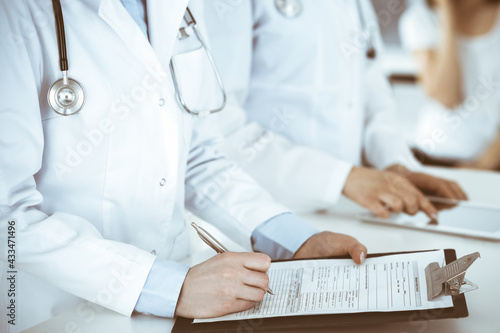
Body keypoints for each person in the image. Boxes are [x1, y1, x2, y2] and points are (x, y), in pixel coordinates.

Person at [0, 1, 367, 332]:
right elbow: (7, 216)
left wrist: (295, 240)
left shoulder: (181, 7)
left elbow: (197, 155)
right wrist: (162, 286)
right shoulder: (16, 13)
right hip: (55, 313)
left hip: (180, 303)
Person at [201, 0, 467, 219]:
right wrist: (340, 178)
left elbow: (370, 85)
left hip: (351, 210)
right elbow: (218, 126)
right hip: (262, 214)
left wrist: (394, 165)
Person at [400, 0, 500, 170]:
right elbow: (447, 96)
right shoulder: (420, 19)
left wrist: (482, 165)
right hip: (431, 156)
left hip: (491, 162)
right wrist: (447, 12)